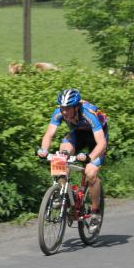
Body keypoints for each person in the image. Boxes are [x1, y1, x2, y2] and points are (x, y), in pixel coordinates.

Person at [37, 88, 108, 233]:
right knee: (59, 157)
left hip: (97, 137)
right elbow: (49, 134)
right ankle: (62, 194)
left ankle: (95, 212)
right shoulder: (59, 112)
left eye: (68, 109)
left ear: (76, 107)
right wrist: (44, 150)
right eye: (62, 108)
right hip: (78, 134)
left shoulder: (88, 114)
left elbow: (101, 143)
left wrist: (89, 158)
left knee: (90, 172)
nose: (64, 112)